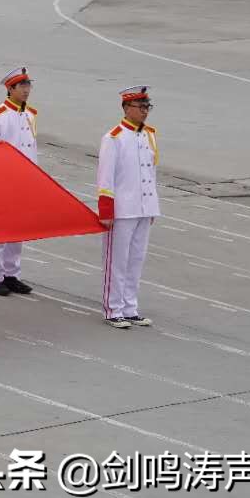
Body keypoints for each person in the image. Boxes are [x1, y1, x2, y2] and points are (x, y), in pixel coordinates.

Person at [97, 86, 161, 330]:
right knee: (117, 261)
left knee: (136, 259)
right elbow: (106, 177)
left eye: (147, 107)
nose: (145, 111)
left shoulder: (149, 135)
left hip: (143, 207)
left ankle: (130, 308)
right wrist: (106, 211)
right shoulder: (114, 138)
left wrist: (151, 206)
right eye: (140, 107)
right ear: (126, 108)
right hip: (122, 209)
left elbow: (150, 173)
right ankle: (113, 309)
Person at [0, 67, 38, 296]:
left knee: (17, 230)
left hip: (24, 181)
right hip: (3, 181)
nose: (26, 90)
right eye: (21, 86)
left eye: (28, 85)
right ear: (10, 89)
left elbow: (31, 148)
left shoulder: (30, 114)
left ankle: (11, 274)